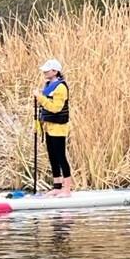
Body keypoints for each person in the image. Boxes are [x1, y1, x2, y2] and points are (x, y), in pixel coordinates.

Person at [34, 59, 72, 197]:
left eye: (47, 70)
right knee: (52, 156)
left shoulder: (61, 87)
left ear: (55, 71)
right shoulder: (49, 84)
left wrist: (40, 98)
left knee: (61, 157)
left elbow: (56, 108)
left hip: (59, 128)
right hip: (49, 127)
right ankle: (57, 186)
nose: (44, 72)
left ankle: (67, 189)